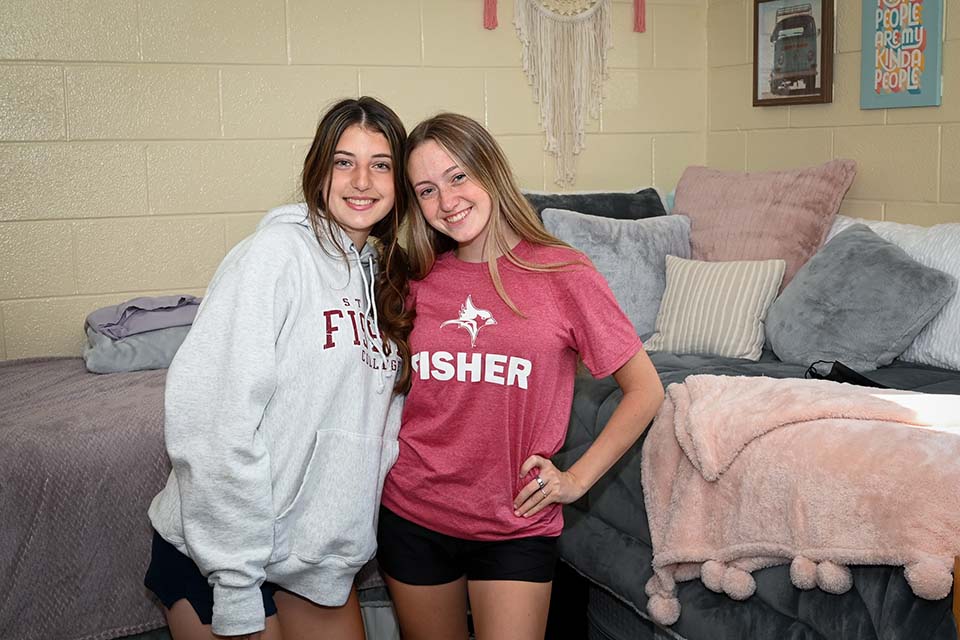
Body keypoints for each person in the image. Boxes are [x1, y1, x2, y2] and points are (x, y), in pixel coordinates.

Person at [377, 112, 665, 640]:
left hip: (515, 522)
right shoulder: (415, 278)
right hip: (414, 513)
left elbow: (645, 390)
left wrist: (576, 479)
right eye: (426, 190)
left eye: (458, 176)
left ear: (490, 169)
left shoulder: (562, 272)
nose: (447, 201)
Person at [144, 96, 413, 640]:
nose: (362, 180)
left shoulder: (385, 282)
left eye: (380, 164)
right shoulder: (273, 256)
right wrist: (237, 581)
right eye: (344, 161)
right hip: (221, 554)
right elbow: (212, 420)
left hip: (311, 559)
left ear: (398, 182)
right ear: (319, 172)